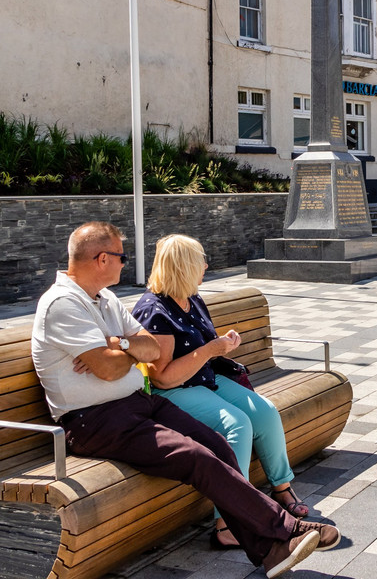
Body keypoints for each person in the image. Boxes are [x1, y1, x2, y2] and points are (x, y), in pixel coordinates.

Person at [31, 222, 338, 578]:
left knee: (217, 445)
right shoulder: (62, 304)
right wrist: (120, 350)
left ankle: (268, 551)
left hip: (136, 404)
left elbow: (146, 347)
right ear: (102, 258)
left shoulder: (105, 299)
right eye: (122, 256)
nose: (125, 264)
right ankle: (287, 531)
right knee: (194, 457)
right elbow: (109, 370)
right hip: (94, 421)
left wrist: (120, 344)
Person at [132, 235, 310, 550]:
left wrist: (223, 344)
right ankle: (227, 524)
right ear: (184, 266)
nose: (206, 266)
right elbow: (163, 378)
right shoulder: (154, 309)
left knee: (264, 412)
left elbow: (204, 346)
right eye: (200, 260)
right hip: (174, 391)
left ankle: (281, 488)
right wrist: (212, 348)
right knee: (236, 424)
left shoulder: (192, 298)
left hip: (206, 378)